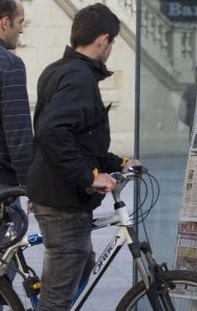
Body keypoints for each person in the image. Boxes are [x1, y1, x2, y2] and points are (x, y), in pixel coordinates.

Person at [26, 4, 140, 310]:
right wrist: (90, 176)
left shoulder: (59, 69)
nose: (112, 48)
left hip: (57, 192)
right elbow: (51, 133)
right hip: (63, 200)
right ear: (103, 39)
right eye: (112, 41)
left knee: (83, 259)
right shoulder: (78, 77)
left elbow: (79, 139)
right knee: (57, 301)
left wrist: (117, 164)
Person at [0, 0, 32, 304]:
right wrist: (31, 186)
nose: (21, 32)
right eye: (21, 23)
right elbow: (18, 134)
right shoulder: (9, 64)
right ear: (4, 23)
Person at [178, 64, 197, 141]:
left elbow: (182, 108)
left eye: (195, 73)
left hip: (193, 124)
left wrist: (188, 122)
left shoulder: (190, 88)